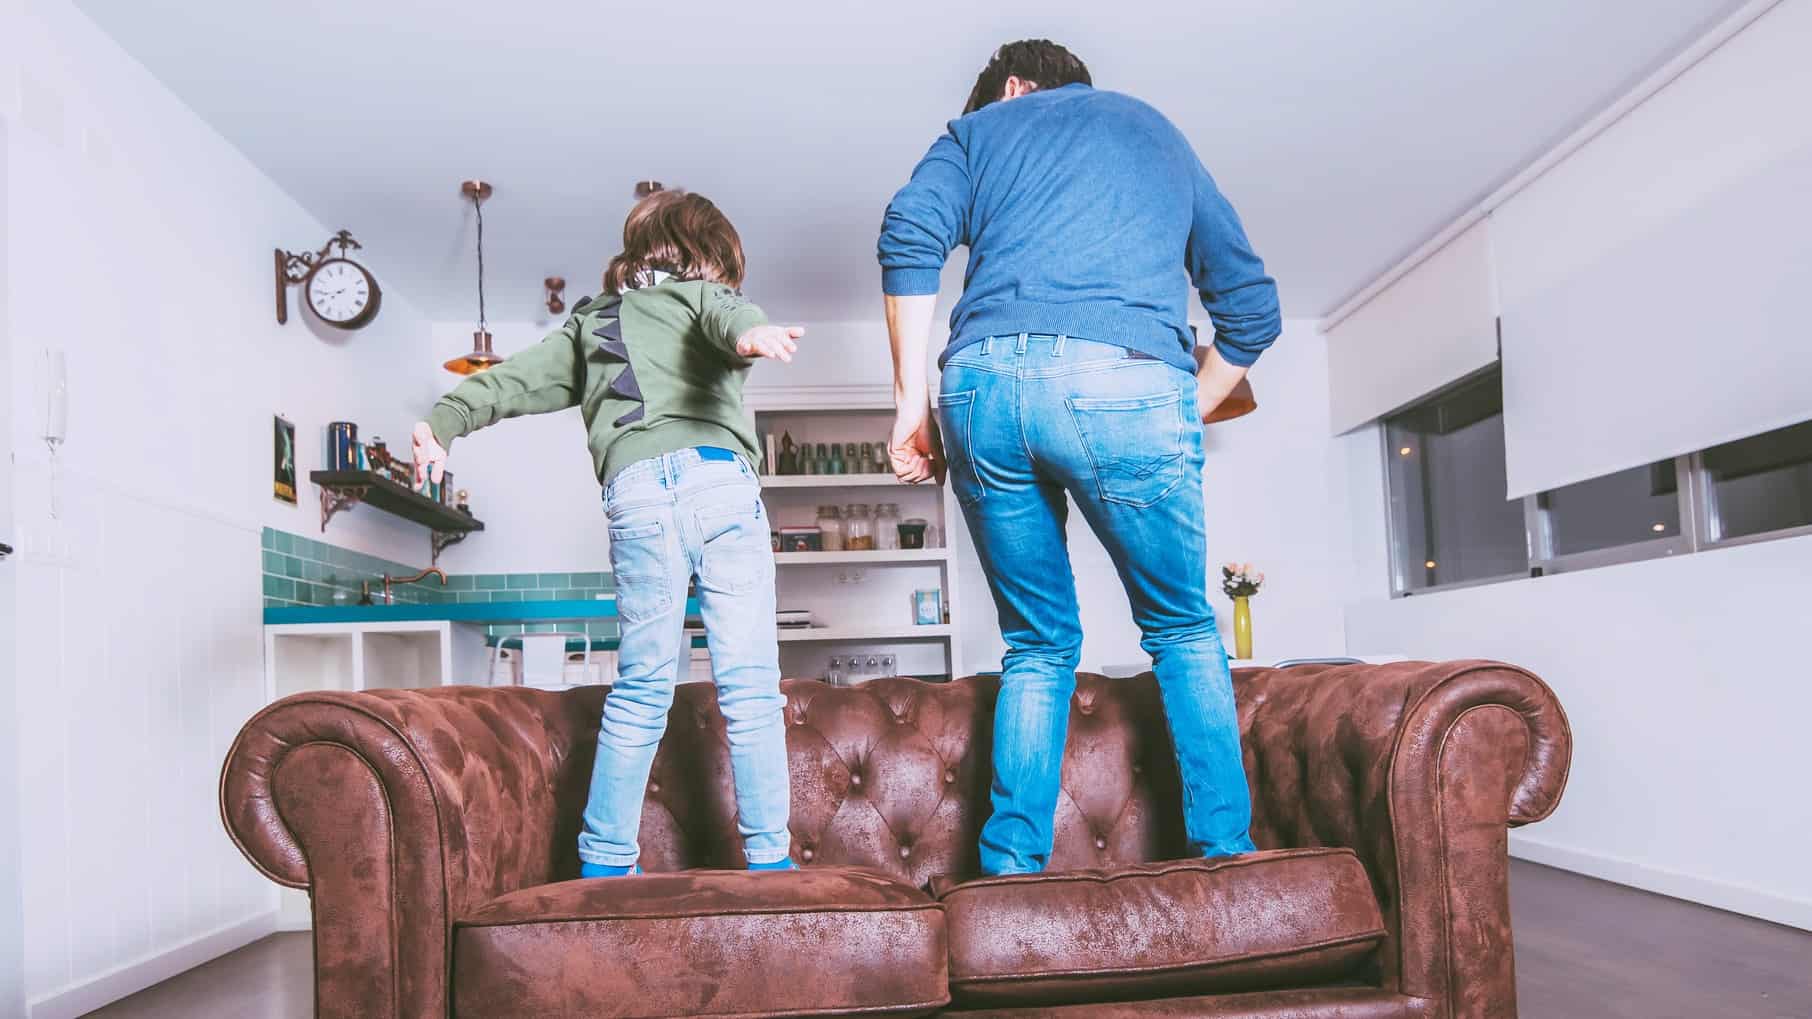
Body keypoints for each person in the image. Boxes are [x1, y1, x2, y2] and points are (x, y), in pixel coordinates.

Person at [877, 40, 1281, 875]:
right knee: (1180, 627)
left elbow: (909, 232)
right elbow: (1251, 307)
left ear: (1015, 88)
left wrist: (914, 409)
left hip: (981, 390)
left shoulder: (977, 133)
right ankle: (1229, 862)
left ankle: (1012, 873)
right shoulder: (1156, 133)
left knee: (1037, 643)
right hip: (1127, 380)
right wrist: (1185, 404)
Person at [413, 189, 804, 877]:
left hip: (637, 495)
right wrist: (749, 333)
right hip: (719, 484)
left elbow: (510, 382)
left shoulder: (591, 322)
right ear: (705, 255)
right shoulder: (701, 296)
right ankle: (770, 859)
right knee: (748, 688)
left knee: (642, 686)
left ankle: (605, 863)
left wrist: (442, 422)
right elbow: (728, 313)